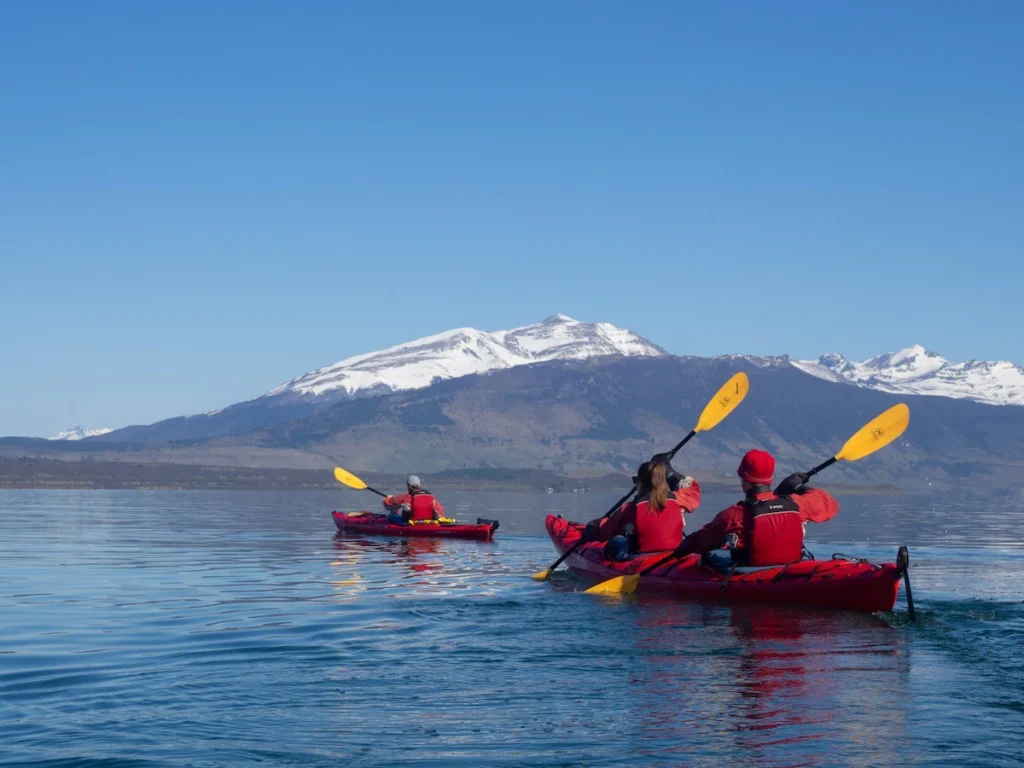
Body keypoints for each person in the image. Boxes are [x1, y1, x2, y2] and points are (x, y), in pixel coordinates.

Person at [674, 449, 838, 567]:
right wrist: (798, 488)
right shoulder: (795, 504)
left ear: (745, 482)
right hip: (788, 568)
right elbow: (828, 503)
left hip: (750, 574)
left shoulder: (734, 515)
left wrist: (680, 551)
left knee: (710, 557)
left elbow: (700, 542)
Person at [589, 461, 689, 560]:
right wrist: (672, 474)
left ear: (640, 482)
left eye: (635, 480)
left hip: (641, 557)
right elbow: (692, 491)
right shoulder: (678, 501)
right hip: (673, 553)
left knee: (615, 544)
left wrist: (593, 527)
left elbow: (604, 532)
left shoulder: (631, 508)